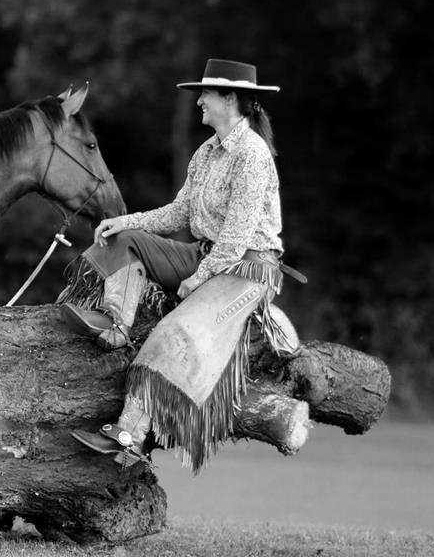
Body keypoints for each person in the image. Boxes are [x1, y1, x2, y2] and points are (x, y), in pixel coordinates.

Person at [59, 58, 302, 472]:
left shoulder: (253, 155)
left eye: (205, 94)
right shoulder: (207, 151)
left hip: (247, 268)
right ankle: (117, 324)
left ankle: (128, 434)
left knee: (172, 334)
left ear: (230, 99)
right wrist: (125, 221)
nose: (199, 102)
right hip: (206, 253)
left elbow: (237, 237)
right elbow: (179, 214)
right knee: (123, 241)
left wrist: (198, 279)